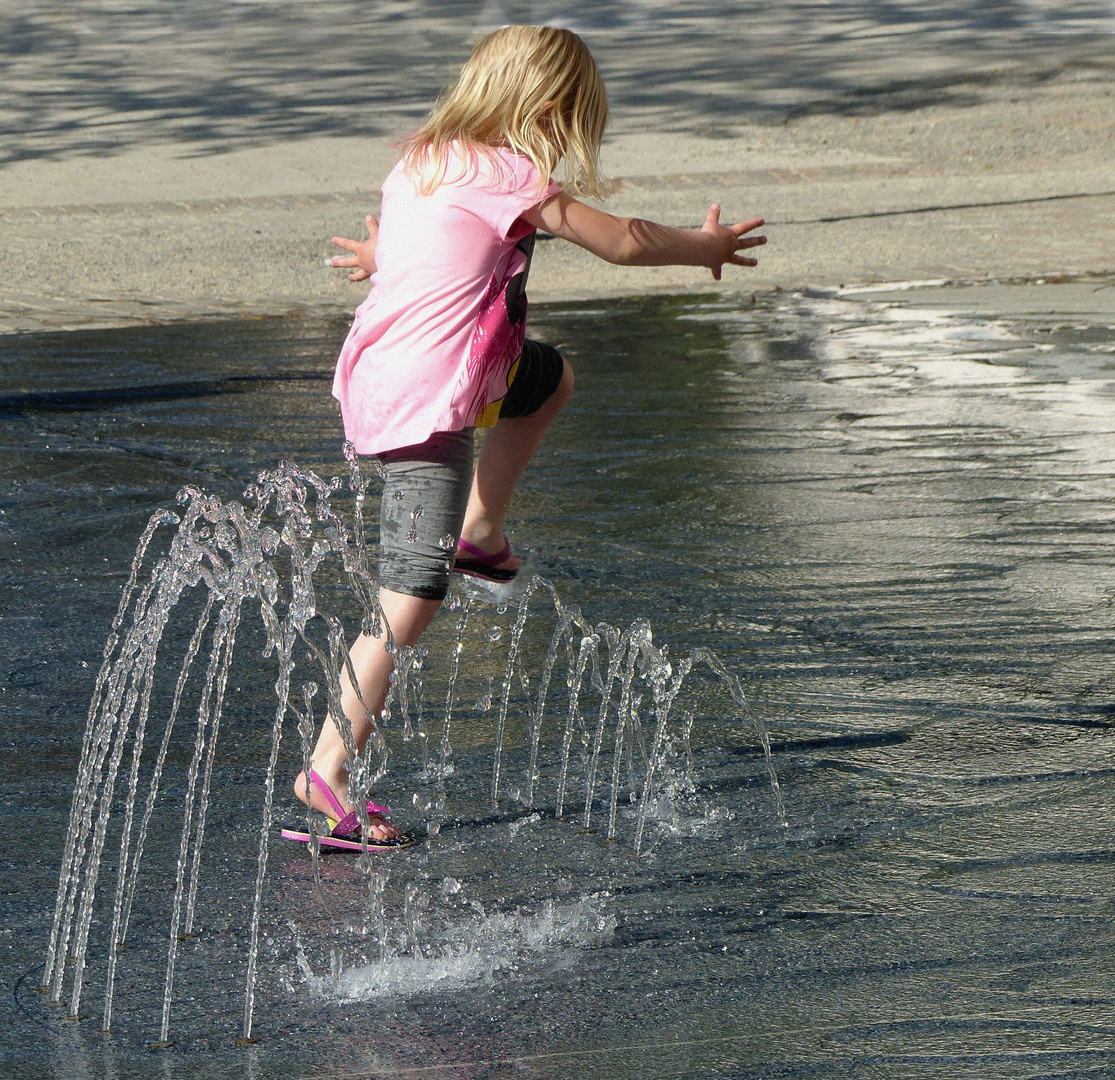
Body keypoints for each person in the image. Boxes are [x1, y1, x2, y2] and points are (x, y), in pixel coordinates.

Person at [284, 24, 765, 851]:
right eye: (570, 121)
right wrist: (705, 248)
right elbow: (621, 240)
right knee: (410, 595)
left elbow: (417, 241)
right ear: (545, 109)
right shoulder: (511, 174)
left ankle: (481, 529)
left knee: (547, 378)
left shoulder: (424, 158)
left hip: (412, 370)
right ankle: (326, 766)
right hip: (426, 397)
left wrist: (382, 258)